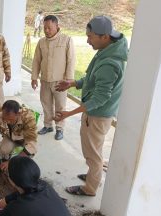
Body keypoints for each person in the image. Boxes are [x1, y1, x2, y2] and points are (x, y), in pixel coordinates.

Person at [55, 15, 128, 196]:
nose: (87, 41)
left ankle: (90, 188)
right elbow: (92, 79)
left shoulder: (110, 63)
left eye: (90, 37)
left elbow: (100, 97)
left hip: (97, 115)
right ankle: (91, 176)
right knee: (93, 149)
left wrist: (68, 113)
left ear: (104, 37)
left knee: (93, 154)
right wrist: (73, 84)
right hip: (96, 113)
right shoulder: (108, 50)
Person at [31, 15, 75, 140]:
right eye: (45, 28)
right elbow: (36, 61)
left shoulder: (66, 40)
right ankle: (48, 125)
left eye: (49, 28)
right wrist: (34, 77)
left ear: (57, 26)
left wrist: (69, 80)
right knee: (46, 103)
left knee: (60, 106)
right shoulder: (41, 42)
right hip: (45, 80)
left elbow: (71, 60)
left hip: (60, 81)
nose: (46, 30)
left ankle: (60, 128)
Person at [0, 100, 37, 171]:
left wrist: (11, 162)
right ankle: (6, 158)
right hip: (10, 137)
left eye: (10, 119)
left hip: (24, 139)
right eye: (5, 119)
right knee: (3, 149)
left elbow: (31, 143)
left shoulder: (29, 117)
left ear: (18, 114)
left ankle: (17, 159)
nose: (7, 122)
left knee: (26, 159)